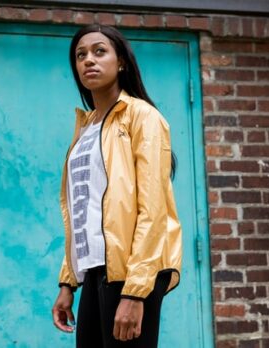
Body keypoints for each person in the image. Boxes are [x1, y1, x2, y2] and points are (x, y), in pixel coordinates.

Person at [52, 24, 182, 348]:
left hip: (132, 272)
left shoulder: (142, 117)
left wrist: (136, 291)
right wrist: (68, 282)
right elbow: (84, 208)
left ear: (120, 61)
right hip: (98, 271)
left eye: (99, 51)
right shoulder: (85, 128)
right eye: (80, 55)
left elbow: (153, 209)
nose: (88, 61)